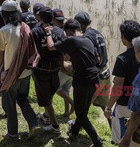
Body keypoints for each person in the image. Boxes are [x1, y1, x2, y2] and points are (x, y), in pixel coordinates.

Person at [46, 19, 104, 147]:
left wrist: (48, 33)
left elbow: (51, 47)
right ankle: (74, 132)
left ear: (69, 32)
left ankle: (98, 143)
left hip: (82, 81)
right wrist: (78, 62)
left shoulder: (71, 40)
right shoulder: (88, 39)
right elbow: (97, 59)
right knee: (83, 111)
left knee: (81, 114)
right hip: (95, 79)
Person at [0, 0, 40, 140]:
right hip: (25, 73)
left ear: (4, 15)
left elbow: (1, 53)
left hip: (11, 74)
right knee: (23, 99)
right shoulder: (26, 28)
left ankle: (12, 134)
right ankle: (33, 124)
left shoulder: (4, 31)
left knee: (9, 105)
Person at [104, 20, 140, 144]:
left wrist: (108, 107)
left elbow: (118, 87)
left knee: (122, 139)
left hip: (125, 105)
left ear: (123, 37)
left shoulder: (122, 59)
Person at [31, 6, 64, 135]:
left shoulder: (35, 31)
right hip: (55, 69)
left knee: (46, 99)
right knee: (49, 93)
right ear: (52, 18)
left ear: (39, 17)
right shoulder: (60, 32)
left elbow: (31, 50)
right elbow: (62, 51)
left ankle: (55, 126)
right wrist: (62, 65)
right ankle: (45, 116)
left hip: (40, 69)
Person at [75, 11, 111, 126]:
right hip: (106, 73)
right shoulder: (97, 33)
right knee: (106, 107)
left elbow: (96, 59)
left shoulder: (86, 37)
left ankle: (75, 130)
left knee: (83, 107)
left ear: (80, 24)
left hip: (96, 77)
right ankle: (116, 133)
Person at [52, 8, 74, 118]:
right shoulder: (67, 32)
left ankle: (72, 102)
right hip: (72, 69)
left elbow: (68, 52)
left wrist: (63, 63)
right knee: (66, 89)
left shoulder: (61, 32)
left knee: (55, 87)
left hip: (65, 68)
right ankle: (66, 113)